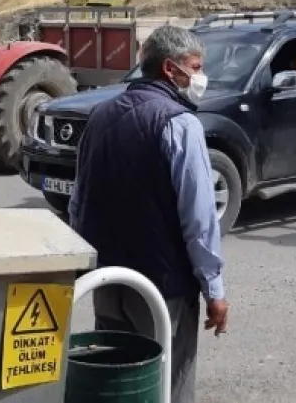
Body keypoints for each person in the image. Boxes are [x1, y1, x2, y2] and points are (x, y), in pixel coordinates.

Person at [69, 25, 228, 403]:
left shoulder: (100, 115)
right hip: (162, 288)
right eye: (196, 67)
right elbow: (200, 218)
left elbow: (79, 199)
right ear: (170, 70)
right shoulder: (179, 123)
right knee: (166, 385)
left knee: (119, 385)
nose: (201, 77)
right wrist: (214, 289)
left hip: (108, 283)